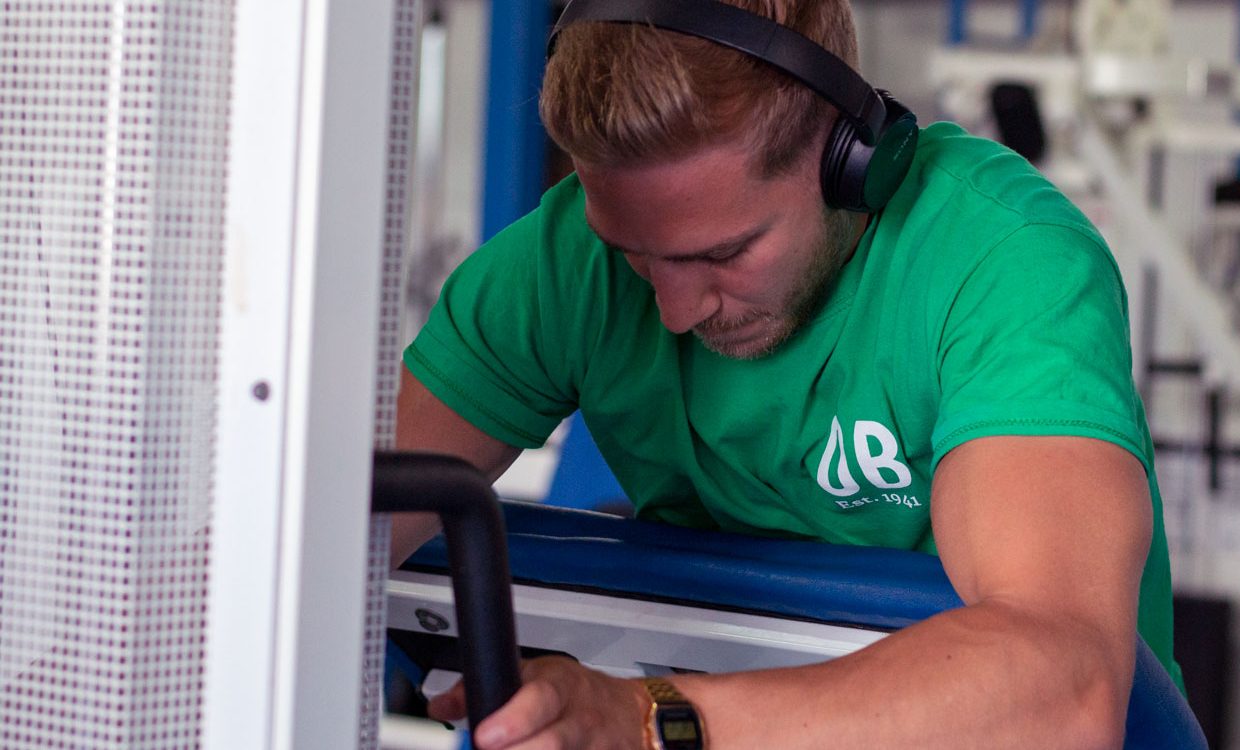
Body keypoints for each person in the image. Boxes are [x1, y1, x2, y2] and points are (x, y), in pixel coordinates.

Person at [393, 0, 1179, 747]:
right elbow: (345, 525)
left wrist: (647, 722)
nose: (675, 311)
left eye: (724, 253)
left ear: (851, 161)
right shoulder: (566, 267)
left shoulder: (1005, 262)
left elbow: (1064, 690)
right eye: (635, 255)